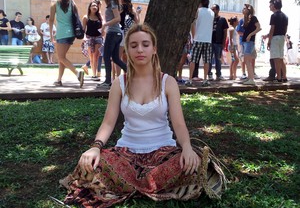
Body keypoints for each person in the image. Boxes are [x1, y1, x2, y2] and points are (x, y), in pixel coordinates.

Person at [59, 23, 227, 208]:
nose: (140, 49)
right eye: (134, 45)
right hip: (126, 153)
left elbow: (178, 124)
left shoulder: (168, 82)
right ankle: (148, 184)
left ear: (154, 49)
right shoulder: (119, 83)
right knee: (93, 166)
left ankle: (129, 184)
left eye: (145, 45)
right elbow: (108, 123)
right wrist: (95, 147)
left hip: (163, 152)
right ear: (127, 51)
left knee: (193, 166)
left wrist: (186, 147)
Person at [49, 0, 84, 87]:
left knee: (61, 57)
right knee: (62, 57)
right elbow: (77, 17)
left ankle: (78, 74)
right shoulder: (72, 2)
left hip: (61, 33)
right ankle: (59, 80)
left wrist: (51, 36)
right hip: (71, 34)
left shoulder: (54, 2)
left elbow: (51, 20)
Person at [96, 0, 127, 89]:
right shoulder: (114, 4)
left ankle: (108, 81)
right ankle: (132, 74)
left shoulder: (113, 3)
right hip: (117, 34)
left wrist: (105, 24)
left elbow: (118, 18)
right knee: (116, 58)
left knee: (106, 57)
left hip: (113, 33)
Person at [185, 0, 214, 87]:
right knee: (206, 60)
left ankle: (190, 79)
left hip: (198, 39)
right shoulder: (212, 12)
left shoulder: (197, 11)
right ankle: (205, 79)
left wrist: (193, 37)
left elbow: (193, 25)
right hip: (208, 40)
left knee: (193, 60)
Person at [265, 0, 288, 83]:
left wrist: (269, 40)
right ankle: (284, 77)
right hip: (282, 37)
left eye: (270, 5)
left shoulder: (274, 16)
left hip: (275, 38)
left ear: (274, 6)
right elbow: (285, 29)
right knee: (281, 58)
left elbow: (272, 29)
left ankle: (278, 77)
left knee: (276, 58)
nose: (269, 6)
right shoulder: (285, 16)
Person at [82, 0, 104, 80]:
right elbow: (83, 29)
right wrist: (84, 38)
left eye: (96, 6)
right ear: (89, 7)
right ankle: (94, 74)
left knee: (96, 56)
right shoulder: (86, 17)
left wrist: (103, 34)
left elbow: (103, 27)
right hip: (89, 38)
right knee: (91, 57)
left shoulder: (100, 16)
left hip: (98, 38)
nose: (95, 7)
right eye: (93, 6)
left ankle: (95, 75)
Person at [241, 4, 261, 85]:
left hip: (249, 42)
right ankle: (250, 78)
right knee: (246, 60)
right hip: (246, 42)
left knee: (247, 60)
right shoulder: (246, 19)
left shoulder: (253, 17)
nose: (243, 9)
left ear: (249, 10)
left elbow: (259, 28)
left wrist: (250, 35)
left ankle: (251, 79)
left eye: (245, 8)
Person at [208, 4, 228, 81]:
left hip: (218, 43)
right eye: (211, 9)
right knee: (209, 59)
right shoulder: (209, 19)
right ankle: (209, 74)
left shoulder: (222, 20)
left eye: (214, 9)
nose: (212, 11)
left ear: (217, 10)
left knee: (218, 59)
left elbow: (225, 32)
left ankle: (218, 75)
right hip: (210, 42)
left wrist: (223, 43)